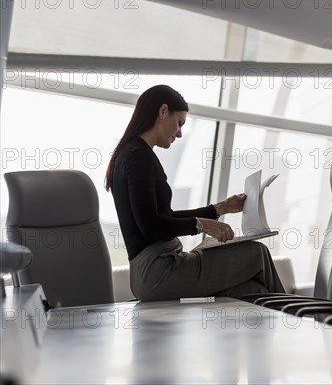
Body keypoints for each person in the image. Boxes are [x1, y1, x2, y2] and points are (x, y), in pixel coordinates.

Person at [105, 85, 285, 301]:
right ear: (163, 111)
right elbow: (150, 225)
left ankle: (281, 325)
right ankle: (296, 320)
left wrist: (222, 208)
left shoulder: (133, 154)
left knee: (253, 291)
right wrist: (203, 225)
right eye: (179, 122)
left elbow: (165, 217)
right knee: (258, 254)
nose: (179, 133)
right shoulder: (138, 157)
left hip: (156, 271)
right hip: (159, 271)